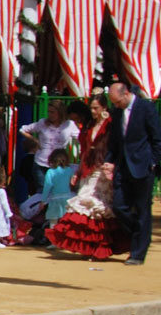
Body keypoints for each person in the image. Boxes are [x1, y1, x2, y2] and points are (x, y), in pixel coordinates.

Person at [47, 99, 124, 260]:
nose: (94, 111)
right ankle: (90, 247)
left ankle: (100, 246)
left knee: (97, 206)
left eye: (96, 108)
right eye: (92, 108)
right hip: (89, 169)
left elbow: (116, 146)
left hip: (103, 170)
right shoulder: (89, 126)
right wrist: (79, 172)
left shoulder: (111, 124)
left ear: (103, 107)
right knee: (86, 205)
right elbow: (85, 151)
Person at [105, 77, 159, 266]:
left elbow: (156, 137)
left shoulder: (146, 108)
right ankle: (138, 233)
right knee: (120, 206)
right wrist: (109, 162)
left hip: (143, 165)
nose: (116, 106)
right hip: (123, 165)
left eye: (117, 101)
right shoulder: (118, 113)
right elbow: (115, 141)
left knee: (143, 208)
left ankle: (138, 253)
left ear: (126, 93)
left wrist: (153, 162)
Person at [16, 102, 78, 213]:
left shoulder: (69, 125)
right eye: (49, 112)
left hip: (58, 164)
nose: (50, 115)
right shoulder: (43, 123)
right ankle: (41, 216)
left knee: (58, 192)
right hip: (41, 162)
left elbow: (79, 137)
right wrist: (35, 140)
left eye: (52, 112)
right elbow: (23, 129)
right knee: (42, 191)